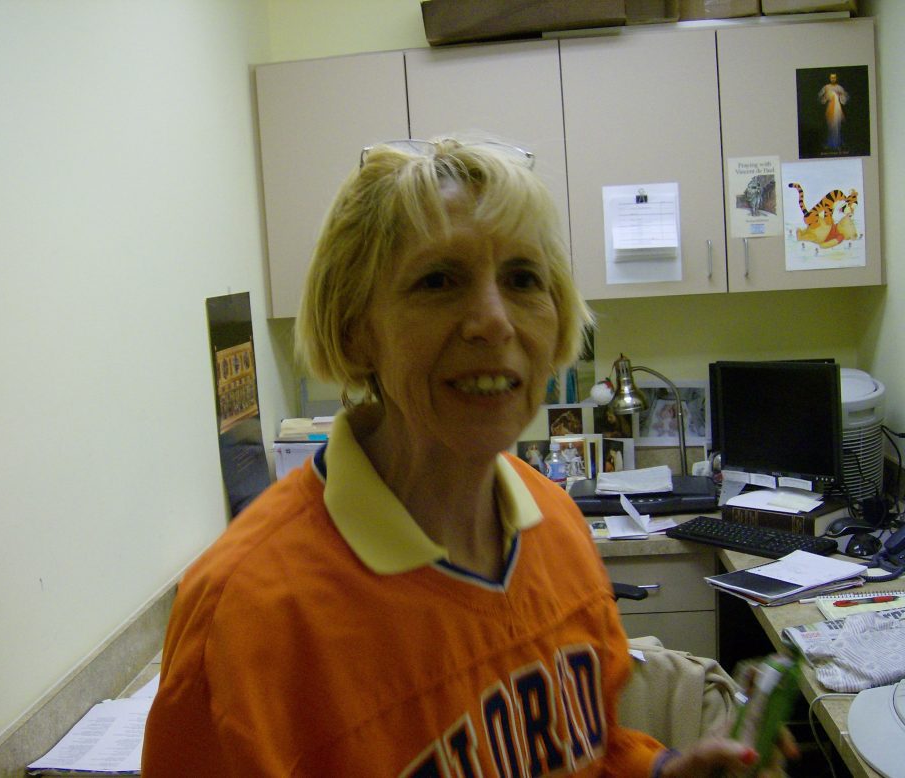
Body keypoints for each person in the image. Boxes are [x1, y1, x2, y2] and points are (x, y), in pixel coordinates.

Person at [142, 137, 794, 776]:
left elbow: (592, 747)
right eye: (438, 281)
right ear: (355, 328)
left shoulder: (556, 525)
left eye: (523, 280)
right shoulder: (243, 617)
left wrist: (662, 770)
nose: (494, 321)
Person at [818, 71, 849, 150]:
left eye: (834, 77)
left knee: (837, 126)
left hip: (837, 109)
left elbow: (845, 98)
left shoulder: (839, 87)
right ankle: (830, 144)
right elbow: (820, 97)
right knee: (830, 126)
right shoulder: (826, 87)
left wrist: (841, 95)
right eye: (831, 77)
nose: (833, 79)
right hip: (829, 109)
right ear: (829, 78)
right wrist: (825, 97)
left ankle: (837, 144)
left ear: (836, 78)